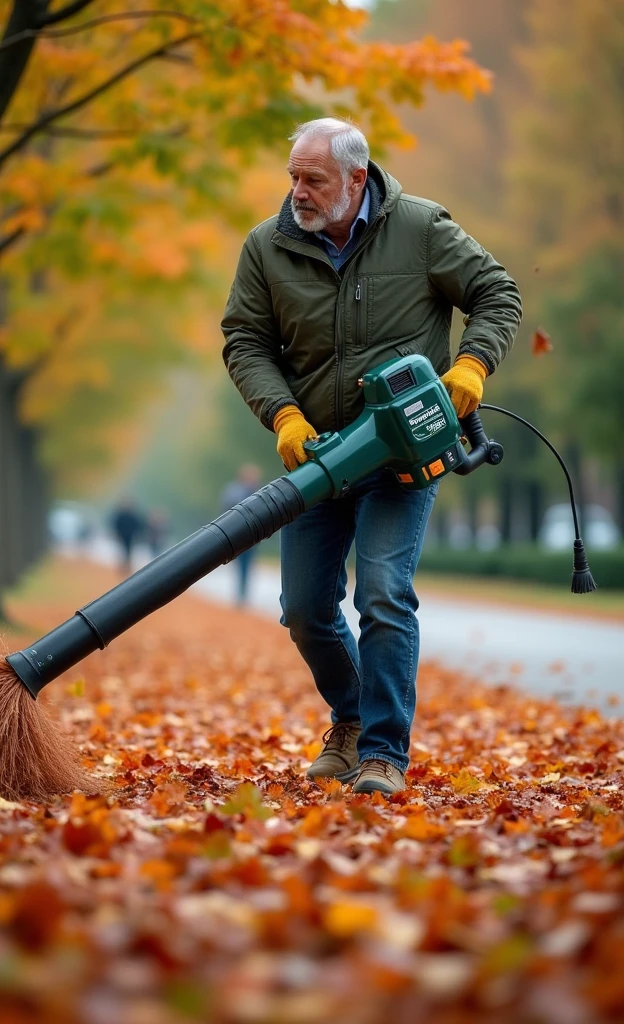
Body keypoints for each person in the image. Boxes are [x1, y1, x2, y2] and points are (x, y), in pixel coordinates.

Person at [221, 118, 522, 796]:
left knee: (384, 595)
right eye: (293, 176)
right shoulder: (266, 248)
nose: (297, 190)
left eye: (313, 179)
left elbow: (496, 293)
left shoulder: (419, 229)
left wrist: (473, 366)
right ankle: (351, 719)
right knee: (304, 607)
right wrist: (285, 415)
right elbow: (245, 341)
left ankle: (383, 752)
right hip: (317, 456)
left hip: (402, 457)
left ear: (357, 180)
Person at [220, 464, 262, 605]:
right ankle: (240, 593)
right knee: (240, 563)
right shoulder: (234, 491)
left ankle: (243, 594)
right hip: (238, 534)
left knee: (247, 564)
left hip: (253, 536)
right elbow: (227, 511)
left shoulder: (258, 491)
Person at [109, 498, 146, 576]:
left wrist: (138, 536)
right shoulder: (120, 515)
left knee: (128, 553)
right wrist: (116, 534)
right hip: (121, 537)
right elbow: (115, 525)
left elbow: (138, 526)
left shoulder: (133, 515)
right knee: (121, 553)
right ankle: (121, 569)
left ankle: (127, 569)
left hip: (130, 538)